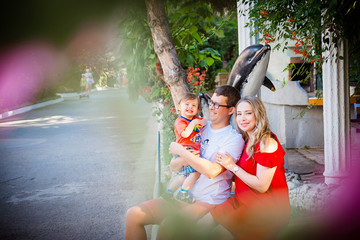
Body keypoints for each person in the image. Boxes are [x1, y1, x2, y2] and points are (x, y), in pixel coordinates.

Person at [125, 85, 245, 240]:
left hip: (208, 200)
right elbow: (174, 166)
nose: (211, 107)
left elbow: (212, 171)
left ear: (231, 110)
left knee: (168, 228)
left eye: (217, 105)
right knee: (133, 215)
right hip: (183, 194)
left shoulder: (233, 138)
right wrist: (182, 158)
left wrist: (181, 152)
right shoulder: (200, 125)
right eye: (211, 102)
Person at [200, 96, 290, 240]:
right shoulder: (247, 139)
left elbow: (262, 186)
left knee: (216, 234)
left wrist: (232, 167)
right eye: (239, 114)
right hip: (242, 201)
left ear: (258, 114)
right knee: (201, 225)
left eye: (248, 113)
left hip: (265, 209)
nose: (242, 118)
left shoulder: (266, 143)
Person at [161, 92, 207, 204]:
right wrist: (195, 122)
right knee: (195, 173)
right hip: (185, 150)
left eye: (193, 105)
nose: (190, 107)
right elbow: (186, 134)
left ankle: (169, 193)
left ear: (197, 109)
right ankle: (183, 193)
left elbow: (205, 122)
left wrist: (200, 121)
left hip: (189, 150)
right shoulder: (180, 121)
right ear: (179, 107)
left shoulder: (195, 119)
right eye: (187, 104)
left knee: (183, 176)